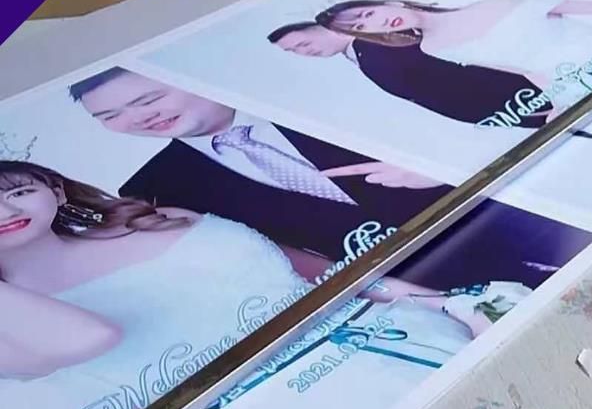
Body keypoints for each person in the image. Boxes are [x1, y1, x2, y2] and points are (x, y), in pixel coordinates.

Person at [0, 160, 521, 409]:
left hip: (401, 339)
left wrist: (446, 302)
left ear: (56, 190)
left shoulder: (156, 218)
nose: (5, 210)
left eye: (17, 192)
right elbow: (94, 338)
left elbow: (315, 274)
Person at [69, 69, 448, 268]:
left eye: (149, 99)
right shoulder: (153, 190)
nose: (140, 118)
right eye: (109, 116)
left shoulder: (311, 93)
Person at [315, 0, 592, 115]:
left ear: (389, 3)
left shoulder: (491, 2)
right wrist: (563, 106)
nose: (375, 22)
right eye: (362, 26)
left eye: (368, 13)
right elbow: (523, 72)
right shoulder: (432, 49)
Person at [268, 21, 555, 130]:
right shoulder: (362, 54)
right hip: (491, 110)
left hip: (504, 92)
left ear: (322, 27)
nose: (305, 52)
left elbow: (449, 66)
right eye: (294, 52)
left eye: (303, 43)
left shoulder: (375, 43)